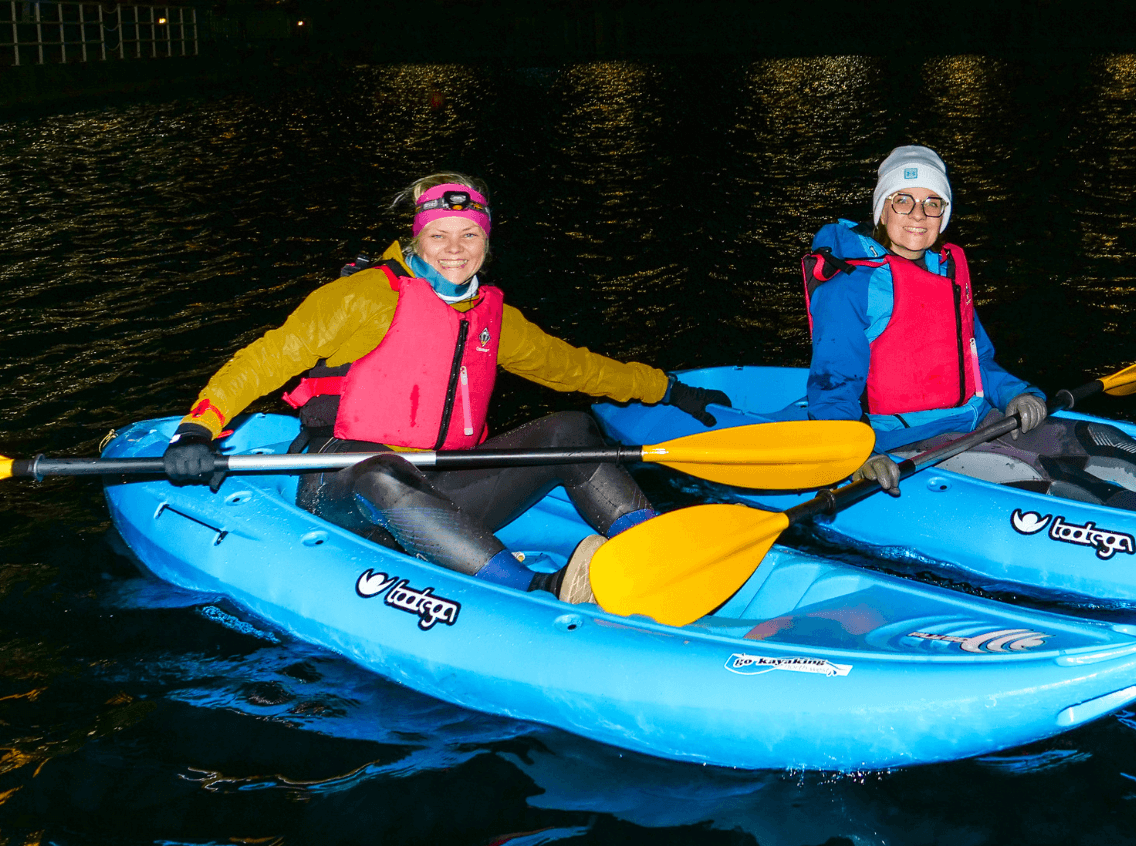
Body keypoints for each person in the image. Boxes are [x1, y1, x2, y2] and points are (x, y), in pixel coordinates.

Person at [158, 172, 730, 602]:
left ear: (486, 242)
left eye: (469, 234)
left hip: (443, 488)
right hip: (344, 486)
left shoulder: (492, 317)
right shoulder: (363, 296)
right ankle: (537, 592)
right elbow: (266, 358)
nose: (455, 248)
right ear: (417, 239)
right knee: (384, 469)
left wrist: (666, 389)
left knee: (572, 429)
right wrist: (197, 428)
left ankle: (655, 552)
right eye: (439, 234)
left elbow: (574, 368)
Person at [801, 146, 1136, 531]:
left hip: (979, 419)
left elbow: (979, 362)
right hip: (906, 445)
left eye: (932, 203)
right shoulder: (851, 288)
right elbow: (831, 384)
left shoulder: (947, 272)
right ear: (882, 209)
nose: (919, 215)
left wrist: (1018, 394)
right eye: (904, 201)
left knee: (1103, 440)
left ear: (946, 212)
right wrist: (857, 454)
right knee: (1057, 478)